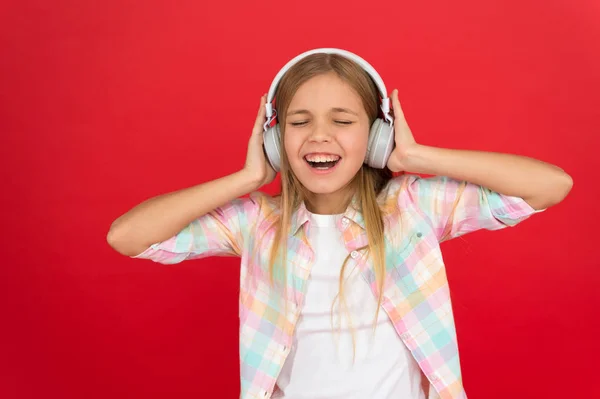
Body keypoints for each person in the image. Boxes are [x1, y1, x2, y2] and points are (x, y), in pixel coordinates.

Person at [107, 48, 573, 399]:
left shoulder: (411, 208)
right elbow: (126, 236)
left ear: (376, 137)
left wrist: (416, 156)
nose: (319, 136)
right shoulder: (256, 223)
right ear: (275, 139)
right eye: (299, 122)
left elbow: (549, 185)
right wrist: (247, 178)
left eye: (343, 120)